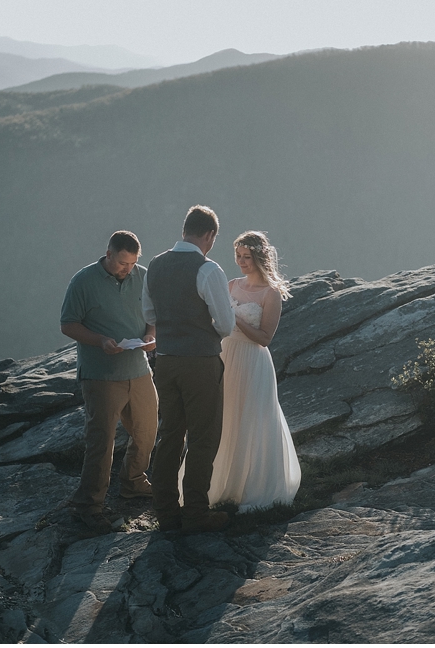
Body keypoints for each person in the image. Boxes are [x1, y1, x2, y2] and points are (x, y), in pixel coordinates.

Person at [181, 231, 301, 512]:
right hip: (224, 355)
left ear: (259, 257)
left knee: (252, 419)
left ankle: (250, 487)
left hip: (252, 360)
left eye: (246, 256)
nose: (241, 261)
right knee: (222, 418)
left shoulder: (271, 294)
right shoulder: (232, 284)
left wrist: (234, 318)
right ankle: (217, 485)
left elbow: (265, 337)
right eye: (238, 255)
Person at [144, 205, 235, 533]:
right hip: (200, 362)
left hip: (165, 361)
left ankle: (165, 512)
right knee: (203, 435)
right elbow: (225, 325)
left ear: (185, 229)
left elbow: (149, 314)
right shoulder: (208, 269)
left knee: (169, 434)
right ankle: (196, 511)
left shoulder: (154, 265)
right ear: (209, 235)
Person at [61, 230, 158, 534]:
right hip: (100, 374)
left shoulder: (143, 276)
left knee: (147, 430)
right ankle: (88, 506)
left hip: (138, 369)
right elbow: (68, 324)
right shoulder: (83, 281)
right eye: (122, 263)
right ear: (109, 254)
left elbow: (152, 315)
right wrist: (100, 340)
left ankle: (133, 483)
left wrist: (151, 335)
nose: (126, 269)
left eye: (131, 264)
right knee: (101, 442)